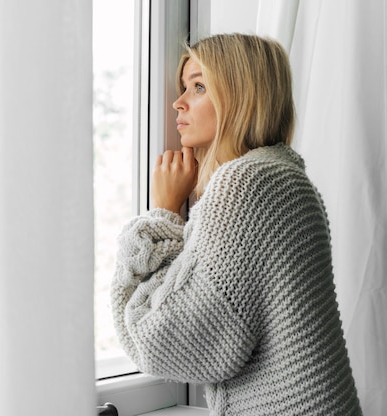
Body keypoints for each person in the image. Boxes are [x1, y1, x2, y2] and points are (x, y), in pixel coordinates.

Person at [111, 33, 362, 415]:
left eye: (198, 87)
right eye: (183, 87)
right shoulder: (290, 181)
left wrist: (161, 213)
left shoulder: (244, 184)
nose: (177, 103)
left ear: (242, 97)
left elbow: (163, 342)